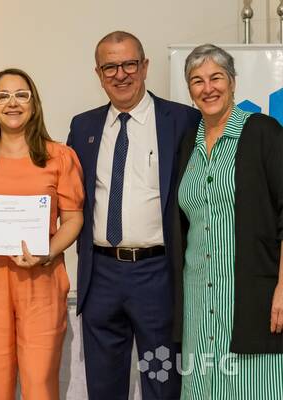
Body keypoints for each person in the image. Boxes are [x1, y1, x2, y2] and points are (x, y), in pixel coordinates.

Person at [67, 31, 201, 399]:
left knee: (162, 383)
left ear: (145, 66)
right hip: (101, 275)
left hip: (157, 275)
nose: (120, 74)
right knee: (103, 387)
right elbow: (70, 196)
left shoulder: (183, 121)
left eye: (129, 64)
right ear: (98, 73)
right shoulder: (83, 127)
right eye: (110, 67)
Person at [171, 43, 283, 399]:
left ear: (233, 82)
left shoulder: (263, 132)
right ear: (189, 90)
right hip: (198, 302)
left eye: (216, 77)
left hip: (251, 300)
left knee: (254, 388)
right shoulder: (188, 144)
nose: (208, 88)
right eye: (197, 80)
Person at [0, 68, 84, 400]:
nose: (12, 103)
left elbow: (73, 219)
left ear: (34, 104)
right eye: (2, 96)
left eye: (21, 95)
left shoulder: (59, 156)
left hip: (41, 281)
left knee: (40, 385)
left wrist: (47, 252)